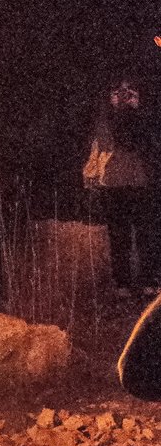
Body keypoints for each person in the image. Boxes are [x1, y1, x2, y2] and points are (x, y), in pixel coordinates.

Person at [83, 77, 158, 299]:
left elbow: (149, 143)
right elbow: (105, 144)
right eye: (119, 92)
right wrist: (116, 113)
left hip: (141, 181)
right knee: (119, 235)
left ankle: (148, 279)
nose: (125, 97)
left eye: (130, 92)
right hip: (114, 182)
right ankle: (122, 282)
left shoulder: (145, 119)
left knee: (147, 233)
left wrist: (137, 112)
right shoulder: (105, 119)